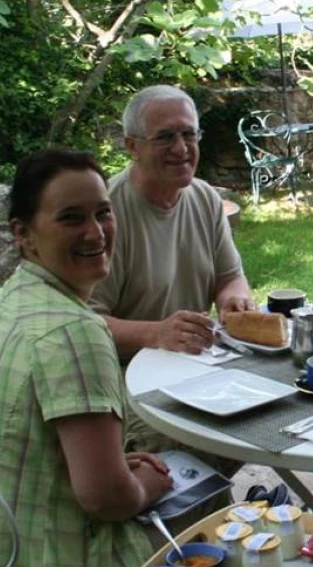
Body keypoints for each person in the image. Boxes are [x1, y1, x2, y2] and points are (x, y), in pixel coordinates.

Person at [0, 149, 174, 567]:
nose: (95, 232)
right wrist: (148, 487)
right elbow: (108, 500)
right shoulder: (75, 332)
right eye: (71, 218)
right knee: (220, 526)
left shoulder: (9, 301)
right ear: (23, 234)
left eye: (102, 212)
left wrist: (115, 465)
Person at [90, 84, 256, 361]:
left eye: (189, 134)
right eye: (165, 137)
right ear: (132, 145)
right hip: (125, 374)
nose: (181, 149)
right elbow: (86, 323)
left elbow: (229, 276)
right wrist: (157, 333)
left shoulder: (206, 199)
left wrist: (233, 300)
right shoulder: (104, 215)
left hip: (195, 363)